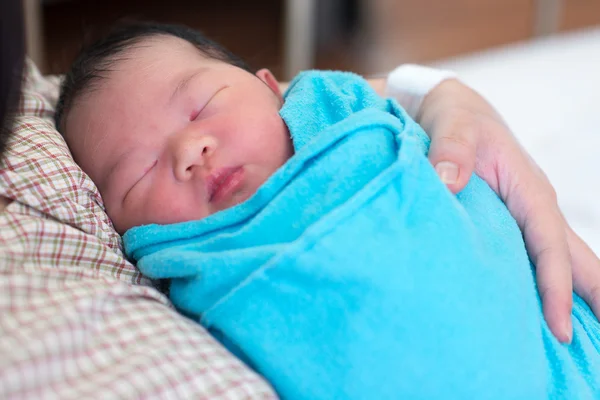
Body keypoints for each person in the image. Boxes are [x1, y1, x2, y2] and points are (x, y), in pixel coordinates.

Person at [55, 21, 600, 348]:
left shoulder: (338, 112)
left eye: (201, 106)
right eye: (139, 173)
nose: (186, 151)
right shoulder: (190, 271)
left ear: (272, 88)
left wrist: (441, 93)